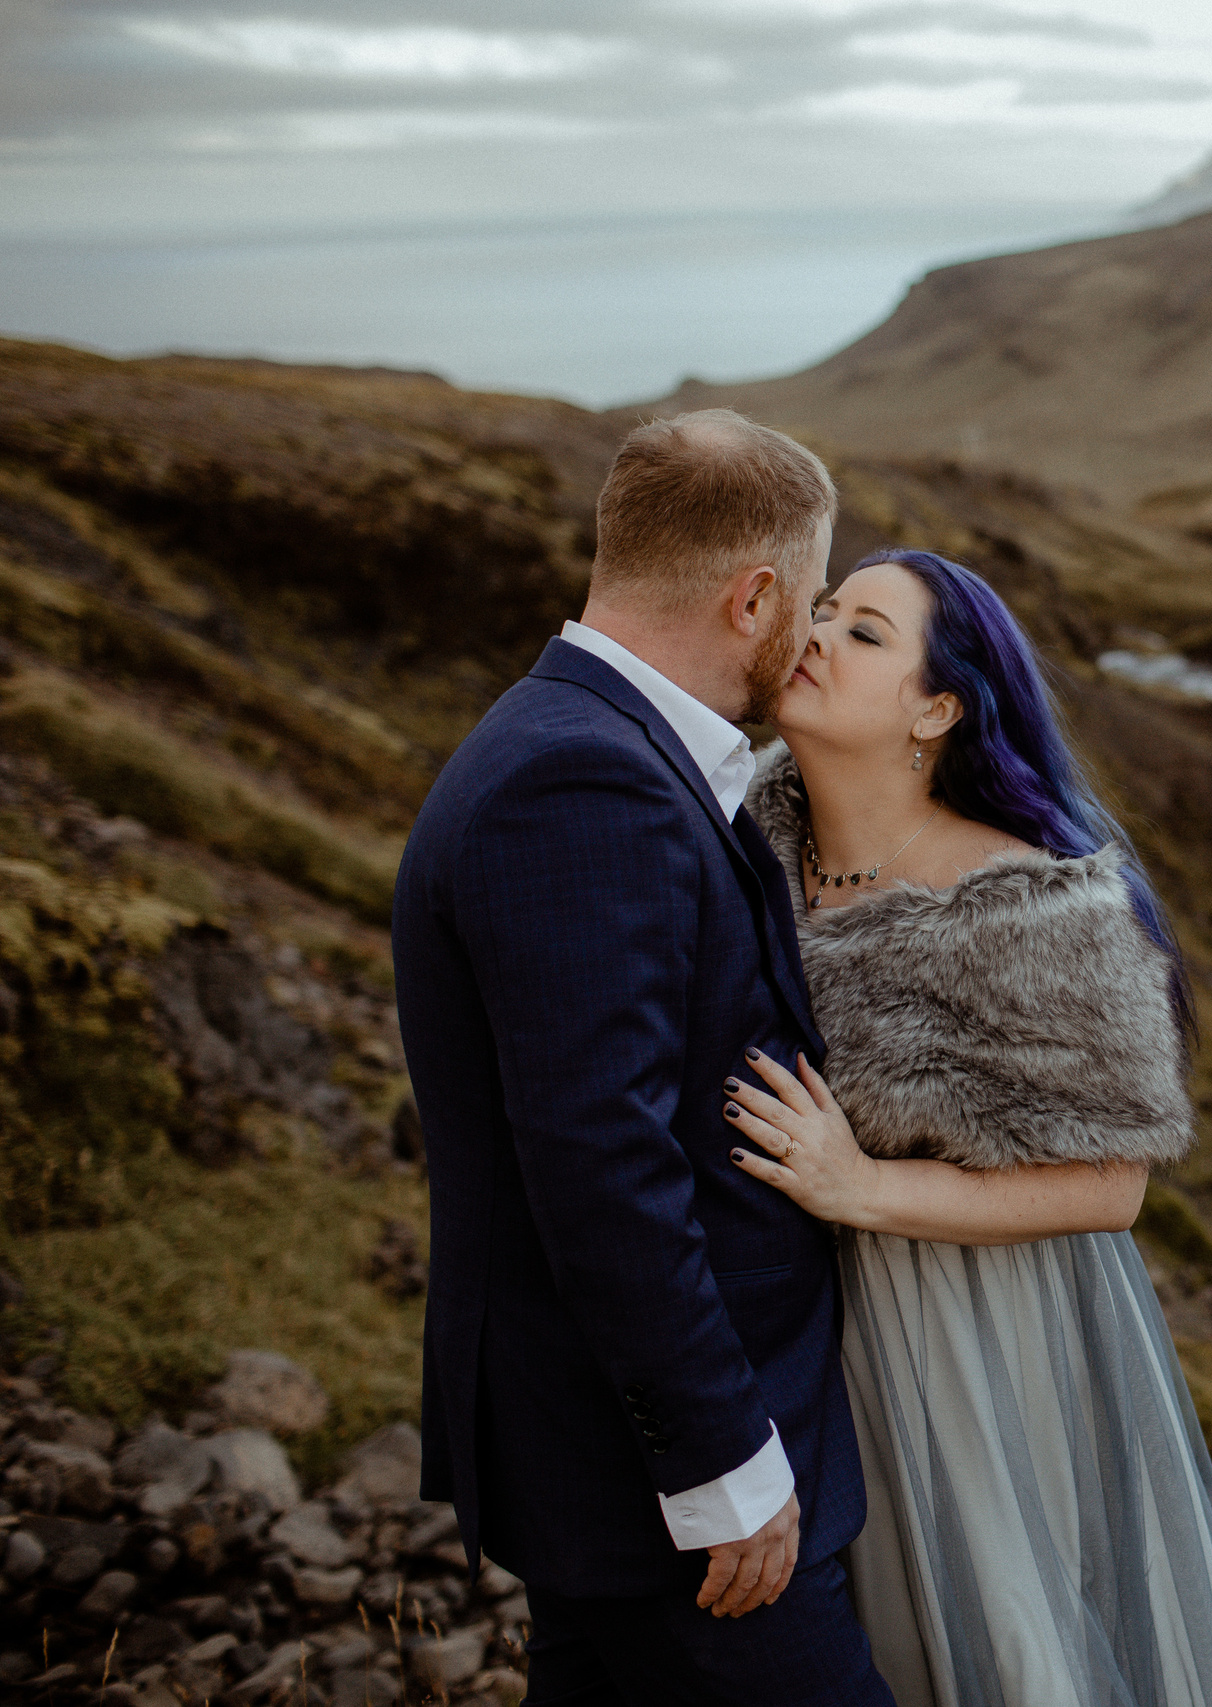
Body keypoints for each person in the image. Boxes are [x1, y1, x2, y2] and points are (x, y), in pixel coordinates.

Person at [714, 547, 1212, 1707]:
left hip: (976, 1329)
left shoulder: (1033, 902)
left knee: (1001, 1639)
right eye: (823, 610)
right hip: (797, 1322)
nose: (815, 634)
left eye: (865, 633)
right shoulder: (743, 837)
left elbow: (1110, 1186)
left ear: (938, 707)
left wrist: (860, 1189)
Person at [392, 410, 896, 1706]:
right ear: (753, 596)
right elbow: (599, 1156)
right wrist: (725, 1463)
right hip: (663, 1479)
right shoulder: (581, 780)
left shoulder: (599, 743)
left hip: (628, 1448)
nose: (816, 628)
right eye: (813, 596)